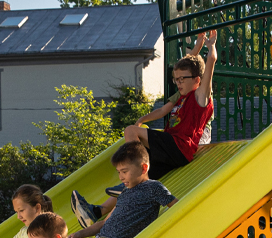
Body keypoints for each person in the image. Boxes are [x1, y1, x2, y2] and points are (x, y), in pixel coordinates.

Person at [71, 29, 216, 221]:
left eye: (183, 80)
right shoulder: (180, 98)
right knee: (135, 186)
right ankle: (98, 213)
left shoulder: (199, 97)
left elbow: (206, 67)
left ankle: (130, 172)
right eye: (177, 80)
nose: (179, 83)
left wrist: (210, 47)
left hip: (179, 146)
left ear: (197, 80)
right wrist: (196, 49)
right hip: (172, 151)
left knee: (131, 131)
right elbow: (189, 66)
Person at [65, 141, 178, 238]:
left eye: (125, 171)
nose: (121, 177)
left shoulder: (153, 187)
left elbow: (178, 207)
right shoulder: (125, 191)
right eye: (119, 172)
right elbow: (104, 223)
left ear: (143, 168)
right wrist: (80, 234)